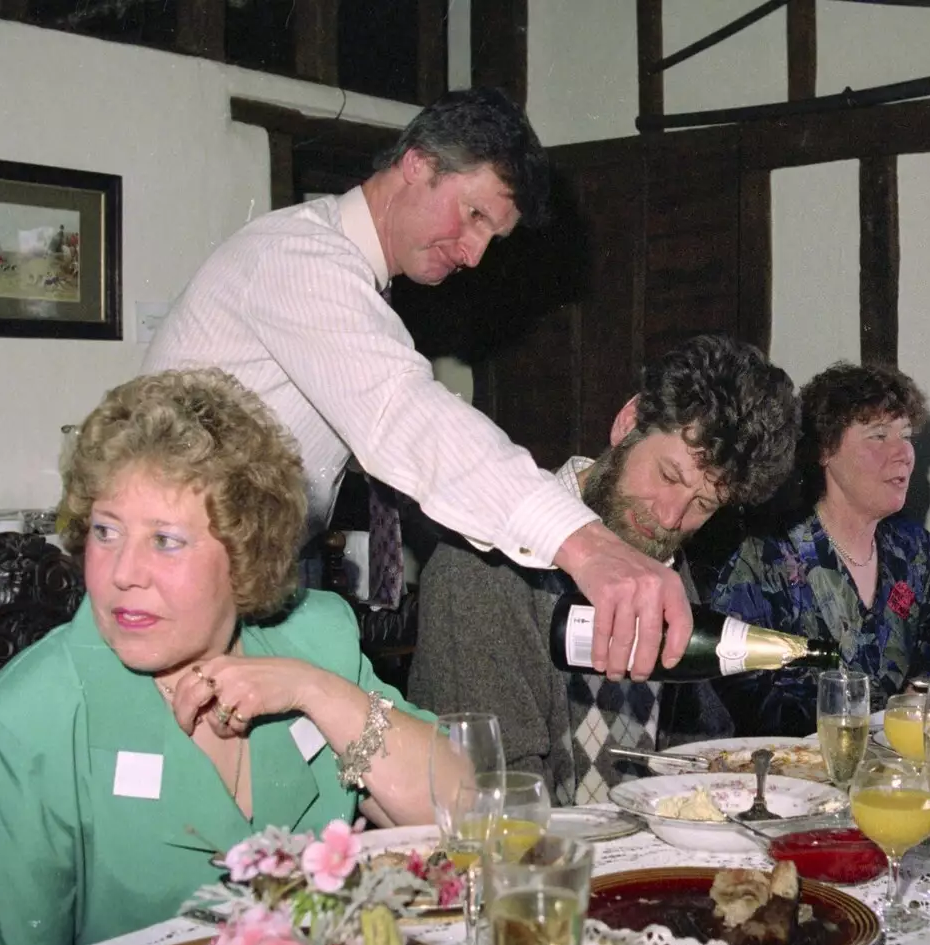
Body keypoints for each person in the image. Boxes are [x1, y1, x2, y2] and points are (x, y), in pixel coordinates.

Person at [143, 87, 690, 682]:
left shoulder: (350, 278)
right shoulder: (299, 259)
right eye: (475, 215)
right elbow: (402, 415)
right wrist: (587, 545)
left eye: (491, 237)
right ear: (417, 164)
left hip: (248, 586)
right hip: (173, 591)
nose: (476, 255)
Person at [0, 369, 459, 945]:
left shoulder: (313, 638)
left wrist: (313, 689)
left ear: (245, 551)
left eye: (166, 541)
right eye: (106, 532)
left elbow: (464, 816)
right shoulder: (26, 721)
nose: (123, 573)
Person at [408, 335, 800, 805]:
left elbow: (699, 749)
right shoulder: (482, 565)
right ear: (627, 422)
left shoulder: (660, 559)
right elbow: (496, 795)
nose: (671, 516)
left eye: (704, 503)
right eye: (669, 476)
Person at [710, 363, 930, 735]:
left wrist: (929, 687)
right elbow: (739, 694)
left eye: (905, 435)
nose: (903, 452)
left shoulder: (912, 552)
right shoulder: (765, 558)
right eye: (878, 436)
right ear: (824, 449)